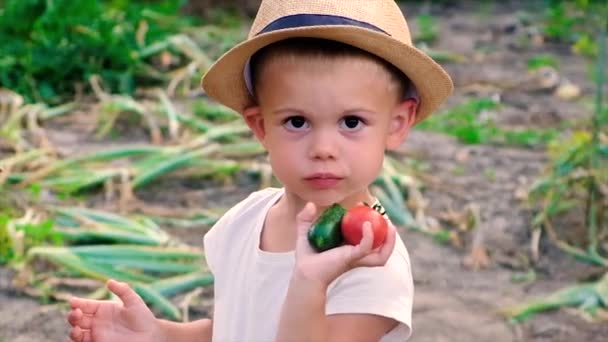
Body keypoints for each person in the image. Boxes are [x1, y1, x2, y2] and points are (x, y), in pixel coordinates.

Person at [66, 0, 453, 341]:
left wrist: (309, 282)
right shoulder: (245, 220)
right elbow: (237, 331)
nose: (322, 149)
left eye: (351, 122)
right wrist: (162, 335)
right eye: (297, 122)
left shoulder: (370, 265)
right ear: (260, 126)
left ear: (398, 124)